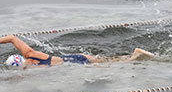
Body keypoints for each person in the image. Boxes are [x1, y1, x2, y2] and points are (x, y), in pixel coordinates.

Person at [1, 35, 155, 68]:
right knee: (110, 60)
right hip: (73, 57)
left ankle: (135, 56)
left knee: (115, 67)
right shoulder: (30, 55)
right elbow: (12, 38)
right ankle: (135, 53)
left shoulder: (32, 64)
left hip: (74, 64)